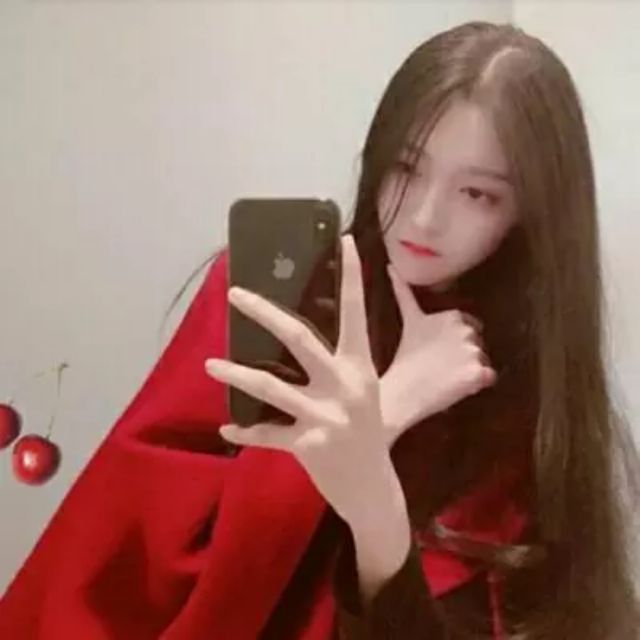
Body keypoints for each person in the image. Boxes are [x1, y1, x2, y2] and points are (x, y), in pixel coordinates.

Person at [1, 19, 639, 640]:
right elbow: (130, 561)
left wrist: (375, 507)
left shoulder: (521, 383)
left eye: (476, 194)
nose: (423, 217)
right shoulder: (276, 296)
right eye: (406, 167)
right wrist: (387, 409)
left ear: (530, 212)